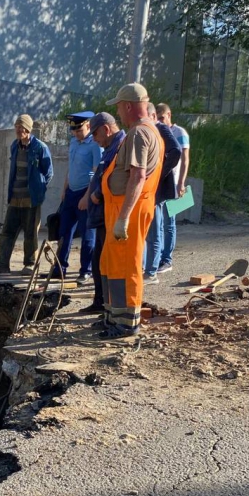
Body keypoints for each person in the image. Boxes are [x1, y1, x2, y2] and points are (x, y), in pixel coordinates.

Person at [99, 83, 164, 339]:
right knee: (111, 263)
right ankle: (112, 317)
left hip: (129, 209)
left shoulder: (139, 133)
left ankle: (126, 324)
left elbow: (137, 177)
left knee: (126, 267)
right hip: (124, 207)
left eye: (118, 107)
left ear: (128, 106)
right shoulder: (150, 130)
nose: (118, 113)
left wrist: (123, 218)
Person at [0, 114, 53, 274]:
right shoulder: (14, 146)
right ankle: (1, 264)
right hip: (14, 197)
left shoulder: (40, 148)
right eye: (16, 127)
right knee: (7, 231)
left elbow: (48, 173)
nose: (18, 130)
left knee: (30, 233)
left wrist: (38, 190)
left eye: (21, 127)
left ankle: (30, 265)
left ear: (28, 128)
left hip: (31, 199)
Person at [77, 112, 126, 314]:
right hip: (102, 214)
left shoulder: (120, 147)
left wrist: (97, 193)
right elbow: (100, 174)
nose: (95, 140)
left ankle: (111, 308)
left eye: (95, 135)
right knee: (100, 262)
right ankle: (102, 304)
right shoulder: (110, 147)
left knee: (107, 263)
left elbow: (117, 177)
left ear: (106, 129)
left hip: (111, 213)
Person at [55, 111, 103, 284]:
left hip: (85, 193)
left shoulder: (95, 145)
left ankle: (85, 271)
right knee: (64, 232)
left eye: (79, 130)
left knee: (87, 234)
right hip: (70, 193)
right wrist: (64, 188)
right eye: (73, 130)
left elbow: (97, 173)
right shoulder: (74, 142)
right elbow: (71, 167)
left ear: (88, 126)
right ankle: (59, 269)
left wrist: (87, 196)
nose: (76, 133)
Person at [143, 102, 183, 285]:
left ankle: (151, 271)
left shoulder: (160, 128)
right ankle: (146, 268)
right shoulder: (150, 130)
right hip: (150, 188)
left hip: (159, 190)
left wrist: (160, 173)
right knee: (152, 229)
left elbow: (177, 151)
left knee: (159, 228)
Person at [154, 103, 191, 273]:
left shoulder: (179, 133)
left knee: (169, 222)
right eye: (158, 118)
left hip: (173, 184)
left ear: (169, 115)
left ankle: (167, 259)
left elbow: (185, 160)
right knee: (158, 223)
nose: (160, 121)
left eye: (162, 118)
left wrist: (181, 182)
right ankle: (158, 257)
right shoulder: (157, 131)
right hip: (159, 183)